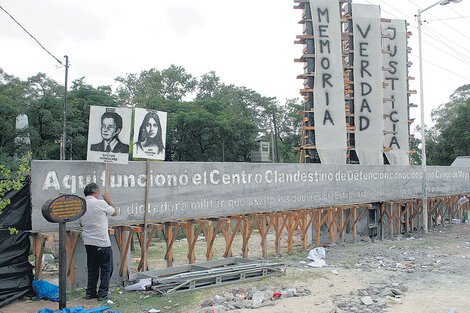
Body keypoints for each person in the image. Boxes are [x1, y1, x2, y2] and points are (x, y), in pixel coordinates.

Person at [79, 183, 117, 301]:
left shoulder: (82, 205)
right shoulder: (100, 203)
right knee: (106, 268)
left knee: (93, 268)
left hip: (88, 242)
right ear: (95, 192)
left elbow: (81, 223)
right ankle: (102, 294)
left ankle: (90, 293)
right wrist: (108, 200)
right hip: (102, 242)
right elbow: (114, 212)